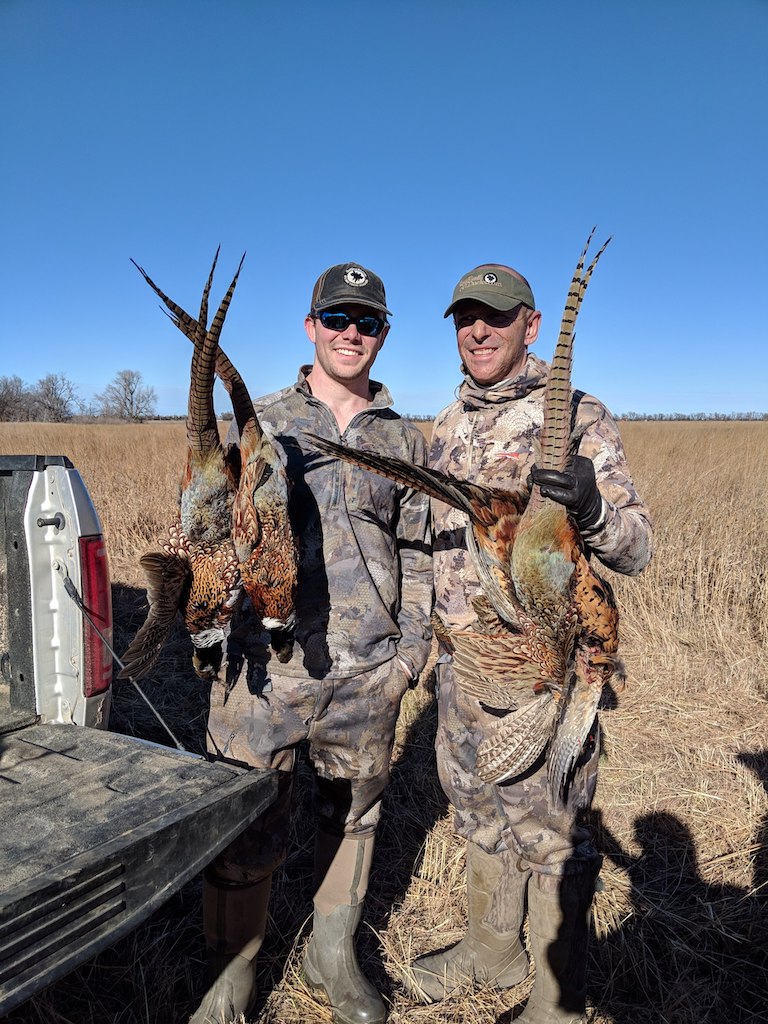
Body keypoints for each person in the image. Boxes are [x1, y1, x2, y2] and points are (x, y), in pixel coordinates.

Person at [408, 263, 653, 1022]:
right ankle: (491, 950)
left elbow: (636, 547)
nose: (478, 330)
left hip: (544, 682)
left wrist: (593, 507)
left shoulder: (578, 415)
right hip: (461, 673)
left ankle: (556, 1000)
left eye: (496, 316)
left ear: (531, 325)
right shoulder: (445, 425)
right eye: (465, 318)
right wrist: (425, 645)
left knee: (553, 834)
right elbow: (427, 546)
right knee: (476, 808)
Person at [191, 263, 434, 1024]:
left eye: (367, 323)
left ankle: (333, 958)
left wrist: (410, 653)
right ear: (311, 328)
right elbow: (207, 535)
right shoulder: (259, 421)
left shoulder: (405, 438)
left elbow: (422, 553)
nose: (352, 335)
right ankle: (230, 978)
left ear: (384, 335)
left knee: (353, 815)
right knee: (243, 817)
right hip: (265, 674)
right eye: (338, 320)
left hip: (368, 671)